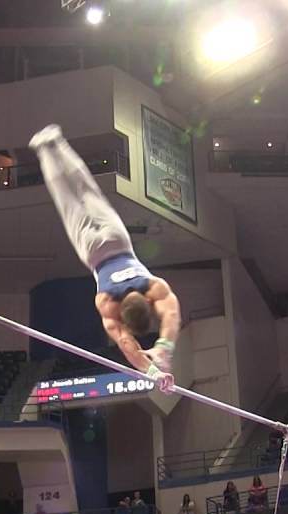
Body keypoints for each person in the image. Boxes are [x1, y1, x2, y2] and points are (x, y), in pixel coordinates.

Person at [30, 124, 181, 389]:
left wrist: (165, 350)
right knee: (67, 199)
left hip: (118, 240)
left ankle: (59, 143)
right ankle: (44, 150)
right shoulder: (107, 302)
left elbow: (170, 314)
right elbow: (125, 342)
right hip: (93, 252)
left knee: (87, 189)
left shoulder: (153, 285)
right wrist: (154, 368)